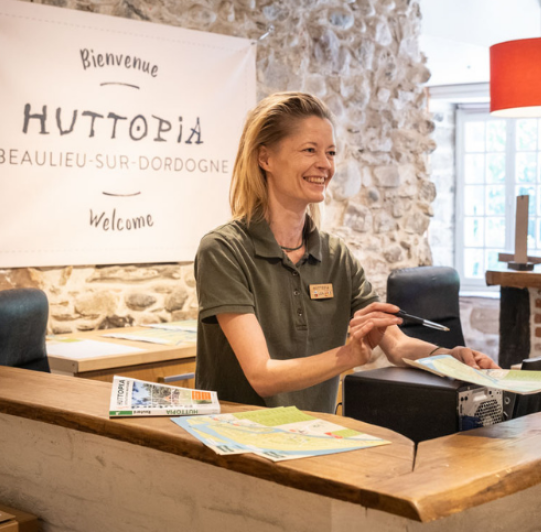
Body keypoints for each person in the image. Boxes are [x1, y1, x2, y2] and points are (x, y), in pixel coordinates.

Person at [194, 92, 497, 414]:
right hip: (236, 440)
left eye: (331, 152)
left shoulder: (336, 256)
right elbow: (262, 376)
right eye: (310, 150)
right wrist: (349, 356)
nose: (325, 165)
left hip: (314, 433)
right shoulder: (224, 250)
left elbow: (396, 345)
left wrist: (447, 356)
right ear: (265, 158)